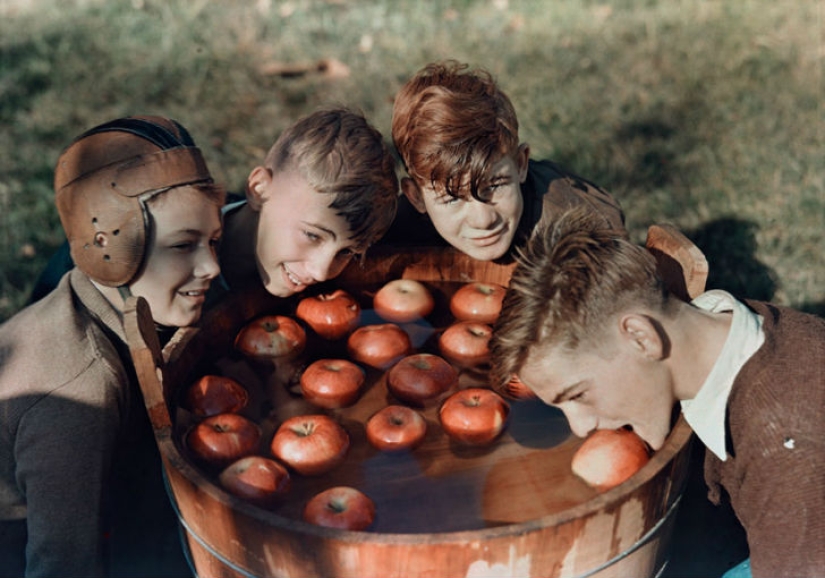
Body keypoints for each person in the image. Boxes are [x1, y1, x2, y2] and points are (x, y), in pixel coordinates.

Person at [488, 208, 825, 578]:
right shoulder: (713, 331)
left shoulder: (787, 449)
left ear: (640, 337)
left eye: (578, 395)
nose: (580, 428)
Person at [0, 116, 226, 577]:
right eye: (184, 246)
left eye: (213, 241)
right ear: (108, 247)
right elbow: (61, 567)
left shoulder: (104, 304)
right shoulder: (80, 394)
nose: (211, 266)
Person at [30, 107, 400, 304]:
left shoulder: (300, 277)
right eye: (312, 235)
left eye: (347, 252)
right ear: (258, 187)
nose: (322, 272)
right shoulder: (147, 257)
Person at [381, 60, 625, 261]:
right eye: (452, 198)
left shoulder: (583, 234)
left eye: (495, 185)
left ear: (521, 164)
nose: (483, 219)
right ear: (415, 197)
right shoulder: (390, 229)